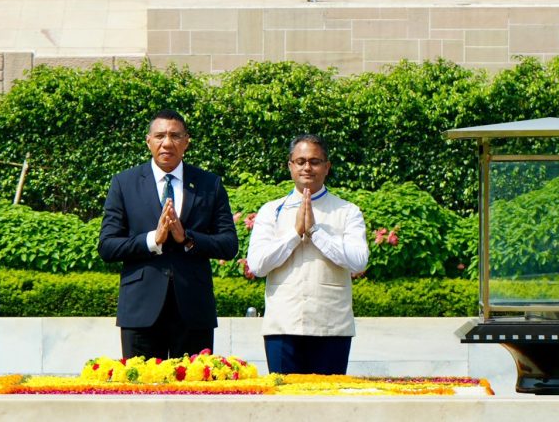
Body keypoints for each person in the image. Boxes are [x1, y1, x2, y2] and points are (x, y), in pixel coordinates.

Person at [99, 109, 238, 359]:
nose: (167, 143)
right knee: (141, 392)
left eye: (175, 136)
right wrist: (153, 240)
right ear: (148, 141)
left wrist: (186, 238)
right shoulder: (124, 183)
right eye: (160, 135)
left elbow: (228, 244)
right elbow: (107, 246)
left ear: (186, 142)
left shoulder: (209, 184)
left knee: (193, 392)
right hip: (140, 312)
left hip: (194, 309)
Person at [245, 134, 369, 374]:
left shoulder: (346, 210)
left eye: (314, 161)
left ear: (327, 166)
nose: (307, 167)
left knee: (327, 404)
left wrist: (315, 231)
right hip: (283, 325)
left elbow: (358, 261)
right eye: (300, 161)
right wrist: (295, 234)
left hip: (331, 326)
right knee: (284, 404)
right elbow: (258, 266)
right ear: (290, 165)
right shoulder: (272, 210)